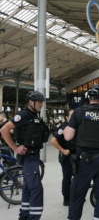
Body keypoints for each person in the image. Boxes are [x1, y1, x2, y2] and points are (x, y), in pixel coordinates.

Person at [63, 84, 99, 220]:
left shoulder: (79, 112)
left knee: (77, 195)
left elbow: (67, 136)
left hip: (83, 161)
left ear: (90, 98)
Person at [1, 91, 48, 220]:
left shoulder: (34, 116)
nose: (41, 105)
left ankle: (24, 216)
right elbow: (4, 129)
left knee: (27, 188)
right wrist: (15, 148)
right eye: (39, 102)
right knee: (36, 189)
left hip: (33, 156)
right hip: (28, 157)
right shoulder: (23, 115)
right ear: (31, 102)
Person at [51, 108, 75, 206]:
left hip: (75, 156)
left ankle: (74, 196)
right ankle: (66, 198)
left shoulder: (76, 126)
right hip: (66, 157)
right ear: (66, 117)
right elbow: (53, 141)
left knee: (76, 177)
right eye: (71, 116)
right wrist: (63, 150)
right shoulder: (64, 127)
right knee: (67, 177)